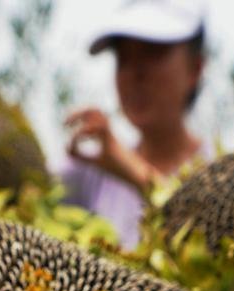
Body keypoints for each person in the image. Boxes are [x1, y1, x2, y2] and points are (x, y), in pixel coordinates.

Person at [59, 0, 208, 249]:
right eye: (123, 58)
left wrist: (132, 171)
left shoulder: (222, 171)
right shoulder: (90, 170)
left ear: (195, 69)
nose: (135, 74)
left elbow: (210, 238)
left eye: (153, 53)